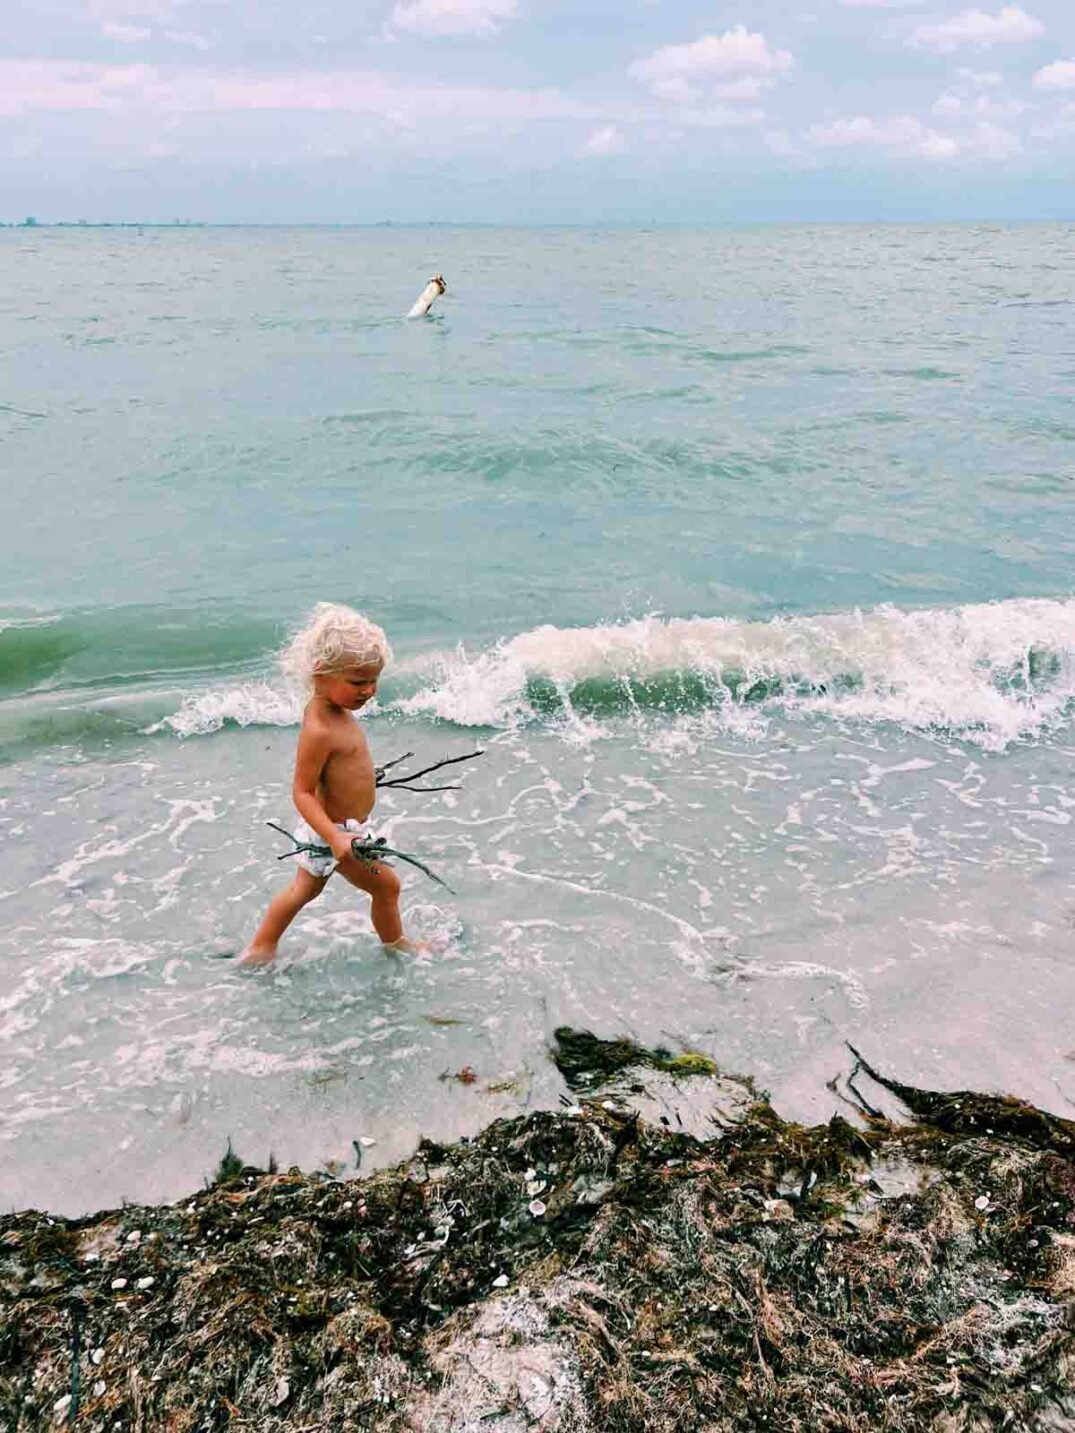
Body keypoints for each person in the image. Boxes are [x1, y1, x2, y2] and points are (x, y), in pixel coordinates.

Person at [240, 603, 426, 966]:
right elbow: (302, 792)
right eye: (357, 682)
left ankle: (261, 948)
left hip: (339, 830)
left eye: (374, 680)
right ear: (321, 674)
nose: (368, 690)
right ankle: (397, 945)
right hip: (333, 833)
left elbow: (338, 769)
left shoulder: (333, 711)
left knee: (302, 890)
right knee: (387, 887)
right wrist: (336, 837)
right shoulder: (320, 729)